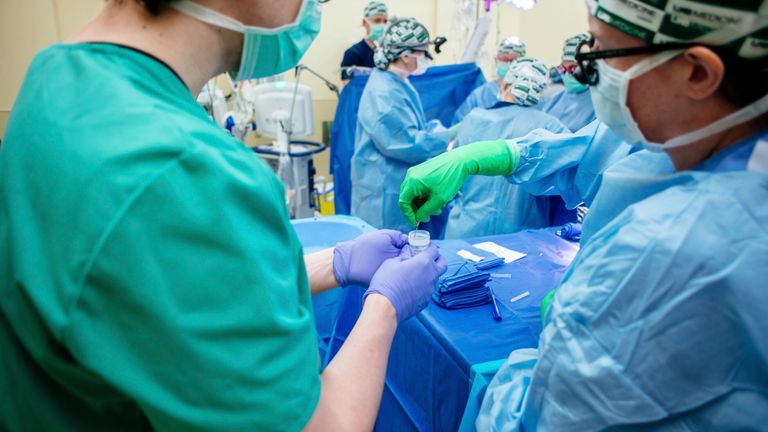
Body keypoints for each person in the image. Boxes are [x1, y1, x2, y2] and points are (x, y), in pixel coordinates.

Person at [0, 0, 448, 430]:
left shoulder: (56, 76)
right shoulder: (186, 170)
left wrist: (335, 263)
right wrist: (385, 306)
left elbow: (161, 291)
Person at [399, 0, 768, 429]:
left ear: (698, 73)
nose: (586, 69)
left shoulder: (671, 247)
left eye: (600, 54)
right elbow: (599, 152)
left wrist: (576, 326)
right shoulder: (700, 134)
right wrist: (492, 154)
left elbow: (544, 418)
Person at [445, 57, 569, 239]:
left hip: (466, 230)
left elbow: (452, 178)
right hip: (519, 238)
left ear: (505, 85)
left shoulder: (474, 119)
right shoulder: (552, 128)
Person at [351, 17, 453, 233]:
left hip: (393, 181)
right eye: (423, 53)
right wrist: (450, 134)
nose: (426, 58)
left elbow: (412, 125)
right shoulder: (384, 91)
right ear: (405, 55)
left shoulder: (397, 81)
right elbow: (406, 143)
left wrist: (436, 131)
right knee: (384, 250)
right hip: (383, 187)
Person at [452, 36, 527, 124]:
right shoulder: (480, 96)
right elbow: (459, 126)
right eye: (505, 60)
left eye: (515, 60)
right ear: (496, 60)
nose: (510, 65)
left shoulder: (529, 95)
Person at [539, 33, 597, 132]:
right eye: (563, 68)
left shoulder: (599, 102)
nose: (567, 74)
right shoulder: (557, 99)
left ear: (589, 66)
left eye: (573, 68)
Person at [340, 0, 389, 83]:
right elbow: (348, 88)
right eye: (377, 20)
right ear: (364, 22)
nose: (382, 25)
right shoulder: (353, 53)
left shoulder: (388, 52)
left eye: (385, 21)